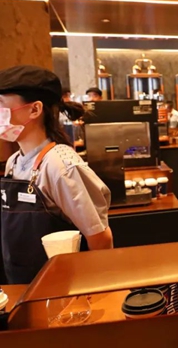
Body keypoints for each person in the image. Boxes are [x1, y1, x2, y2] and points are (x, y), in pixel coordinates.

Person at [0, 66, 113, 285]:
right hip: (23, 284)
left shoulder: (60, 165)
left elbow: (100, 238)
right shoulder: (14, 161)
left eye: (2, 104)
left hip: (62, 286)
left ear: (34, 109)